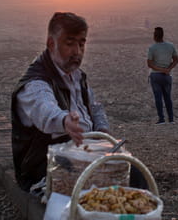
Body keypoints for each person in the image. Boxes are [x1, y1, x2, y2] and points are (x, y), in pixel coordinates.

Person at [10, 12, 114, 191]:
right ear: (51, 43)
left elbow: (94, 106)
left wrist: (103, 133)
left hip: (80, 154)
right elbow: (45, 110)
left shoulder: (76, 75)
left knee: (129, 171)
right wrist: (65, 121)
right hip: (45, 167)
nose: (77, 51)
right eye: (70, 43)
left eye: (81, 44)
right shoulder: (35, 83)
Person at [146, 26, 178, 124]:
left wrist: (160, 69)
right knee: (168, 97)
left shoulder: (152, 48)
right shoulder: (170, 46)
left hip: (156, 75)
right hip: (167, 76)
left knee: (158, 98)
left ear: (154, 36)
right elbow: (176, 60)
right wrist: (168, 69)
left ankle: (161, 119)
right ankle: (171, 119)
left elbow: (149, 64)